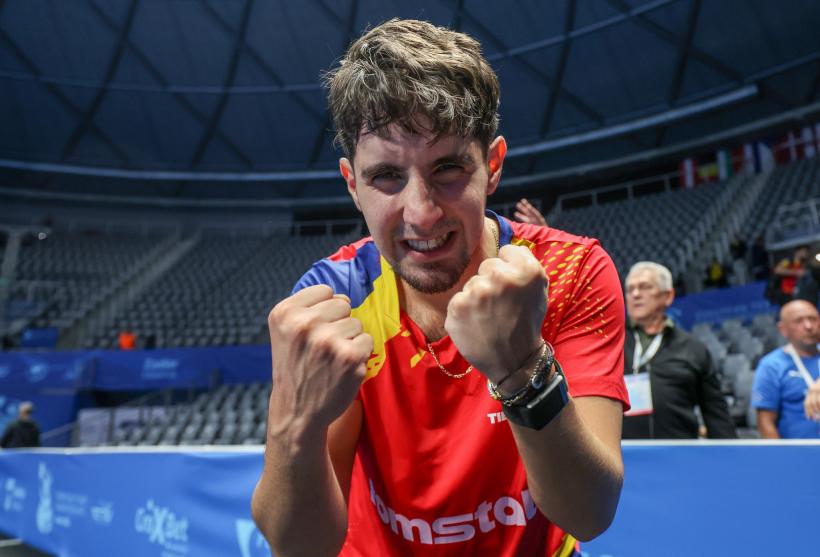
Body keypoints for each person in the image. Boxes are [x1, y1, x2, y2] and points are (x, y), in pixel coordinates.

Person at [251, 19, 628, 557]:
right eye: (386, 178)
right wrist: (294, 423)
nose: (422, 214)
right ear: (352, 184)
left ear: (492, 166)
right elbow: (299, 548)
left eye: (448, 168)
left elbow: (589, 514)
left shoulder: (571, 271)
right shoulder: (334, 301)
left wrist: (523, 368)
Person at [623, 261, 736, 439]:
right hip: (623, 457)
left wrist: (730, 459)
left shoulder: (693, 349)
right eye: (630, 290)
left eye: (645, 287)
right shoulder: (610, 344)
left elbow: (716, 414)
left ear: (668, 296)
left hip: (679, 456)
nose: (635, 294)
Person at [752, 299, 820, 438]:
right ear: (783, 329)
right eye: (798, 321)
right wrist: (781, 458)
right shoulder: (772, 365)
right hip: (800, 454)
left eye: (813, 319)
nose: (808, 326)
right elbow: (765, 422)